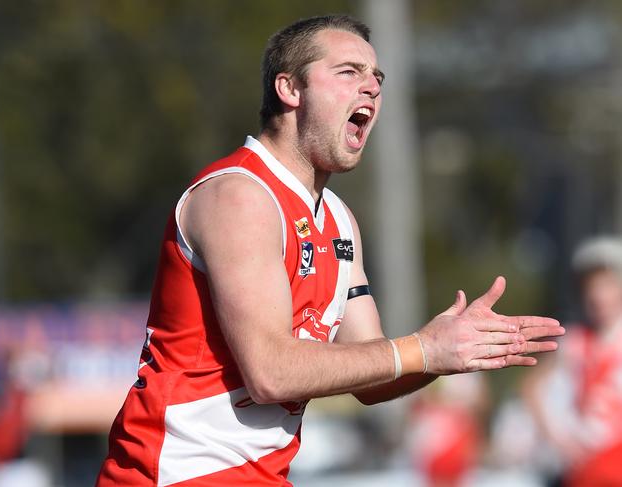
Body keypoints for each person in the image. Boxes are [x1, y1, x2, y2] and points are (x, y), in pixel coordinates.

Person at [96, 15, 564, 486]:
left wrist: (448, 353)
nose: (372, 88)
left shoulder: (339, 219)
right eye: (349, 72)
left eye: (376, 77)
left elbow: (370, 373)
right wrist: (422, 349)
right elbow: (272, 373)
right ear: (289, 89)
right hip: (174, 475)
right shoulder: (239, 195)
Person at [524, 237, 622, 487]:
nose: (598, 296)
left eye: (607, 285)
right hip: (584, 470)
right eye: (591, 287)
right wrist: (559, 440)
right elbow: (531, 388)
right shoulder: (574, 341)